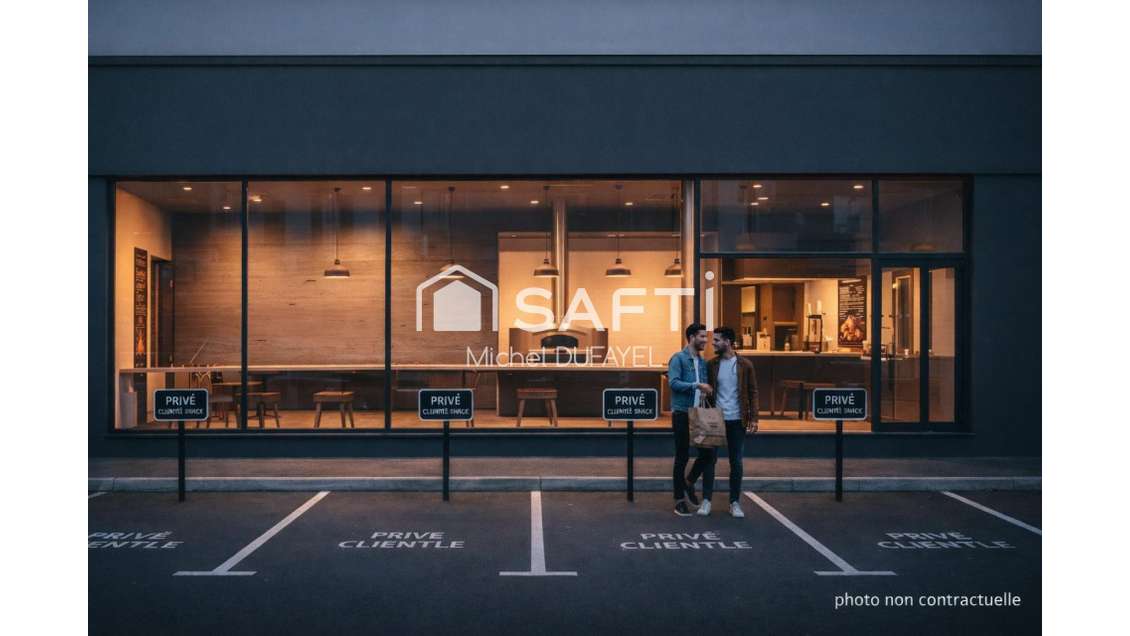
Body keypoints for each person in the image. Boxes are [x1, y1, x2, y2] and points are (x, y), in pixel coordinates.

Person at [686, 326, 759, 518]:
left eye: (717, 340)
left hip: (737, 419)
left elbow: (753, 392)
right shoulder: (712, 364)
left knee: (736, 462)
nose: (713, 343)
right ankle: (707, 501)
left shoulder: (745, 365)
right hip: (715, 419)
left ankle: (734, 502)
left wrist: (754, 418)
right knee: (710, 460)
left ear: (728, 342)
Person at [667, 323, 713, 516]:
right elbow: (674, 383)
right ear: (692, 337)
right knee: (682, 456)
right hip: (682, 413)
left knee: (708, 454)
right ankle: (679, 500)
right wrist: (697, 386)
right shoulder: (678, 359)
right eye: (702, 337)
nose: (705, 340)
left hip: (699, 413)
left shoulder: (702, 361)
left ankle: (688, 481)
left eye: (706, 337)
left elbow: (704, 386)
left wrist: (706, 390)